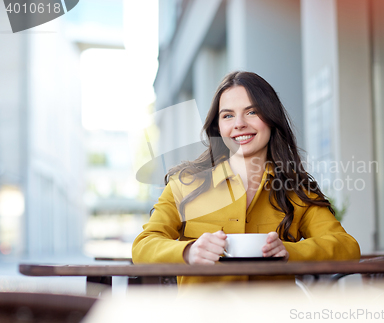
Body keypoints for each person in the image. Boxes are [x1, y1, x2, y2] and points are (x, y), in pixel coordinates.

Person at [132, 71, 360, 285]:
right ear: (218, 127)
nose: (239, 123)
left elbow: (347, 248)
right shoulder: (185, 184)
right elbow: (142, 247)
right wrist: (189, 251)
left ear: (271, 118)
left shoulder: (296, 190)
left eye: (251, 112)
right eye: (228, 115)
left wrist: (290, 251)